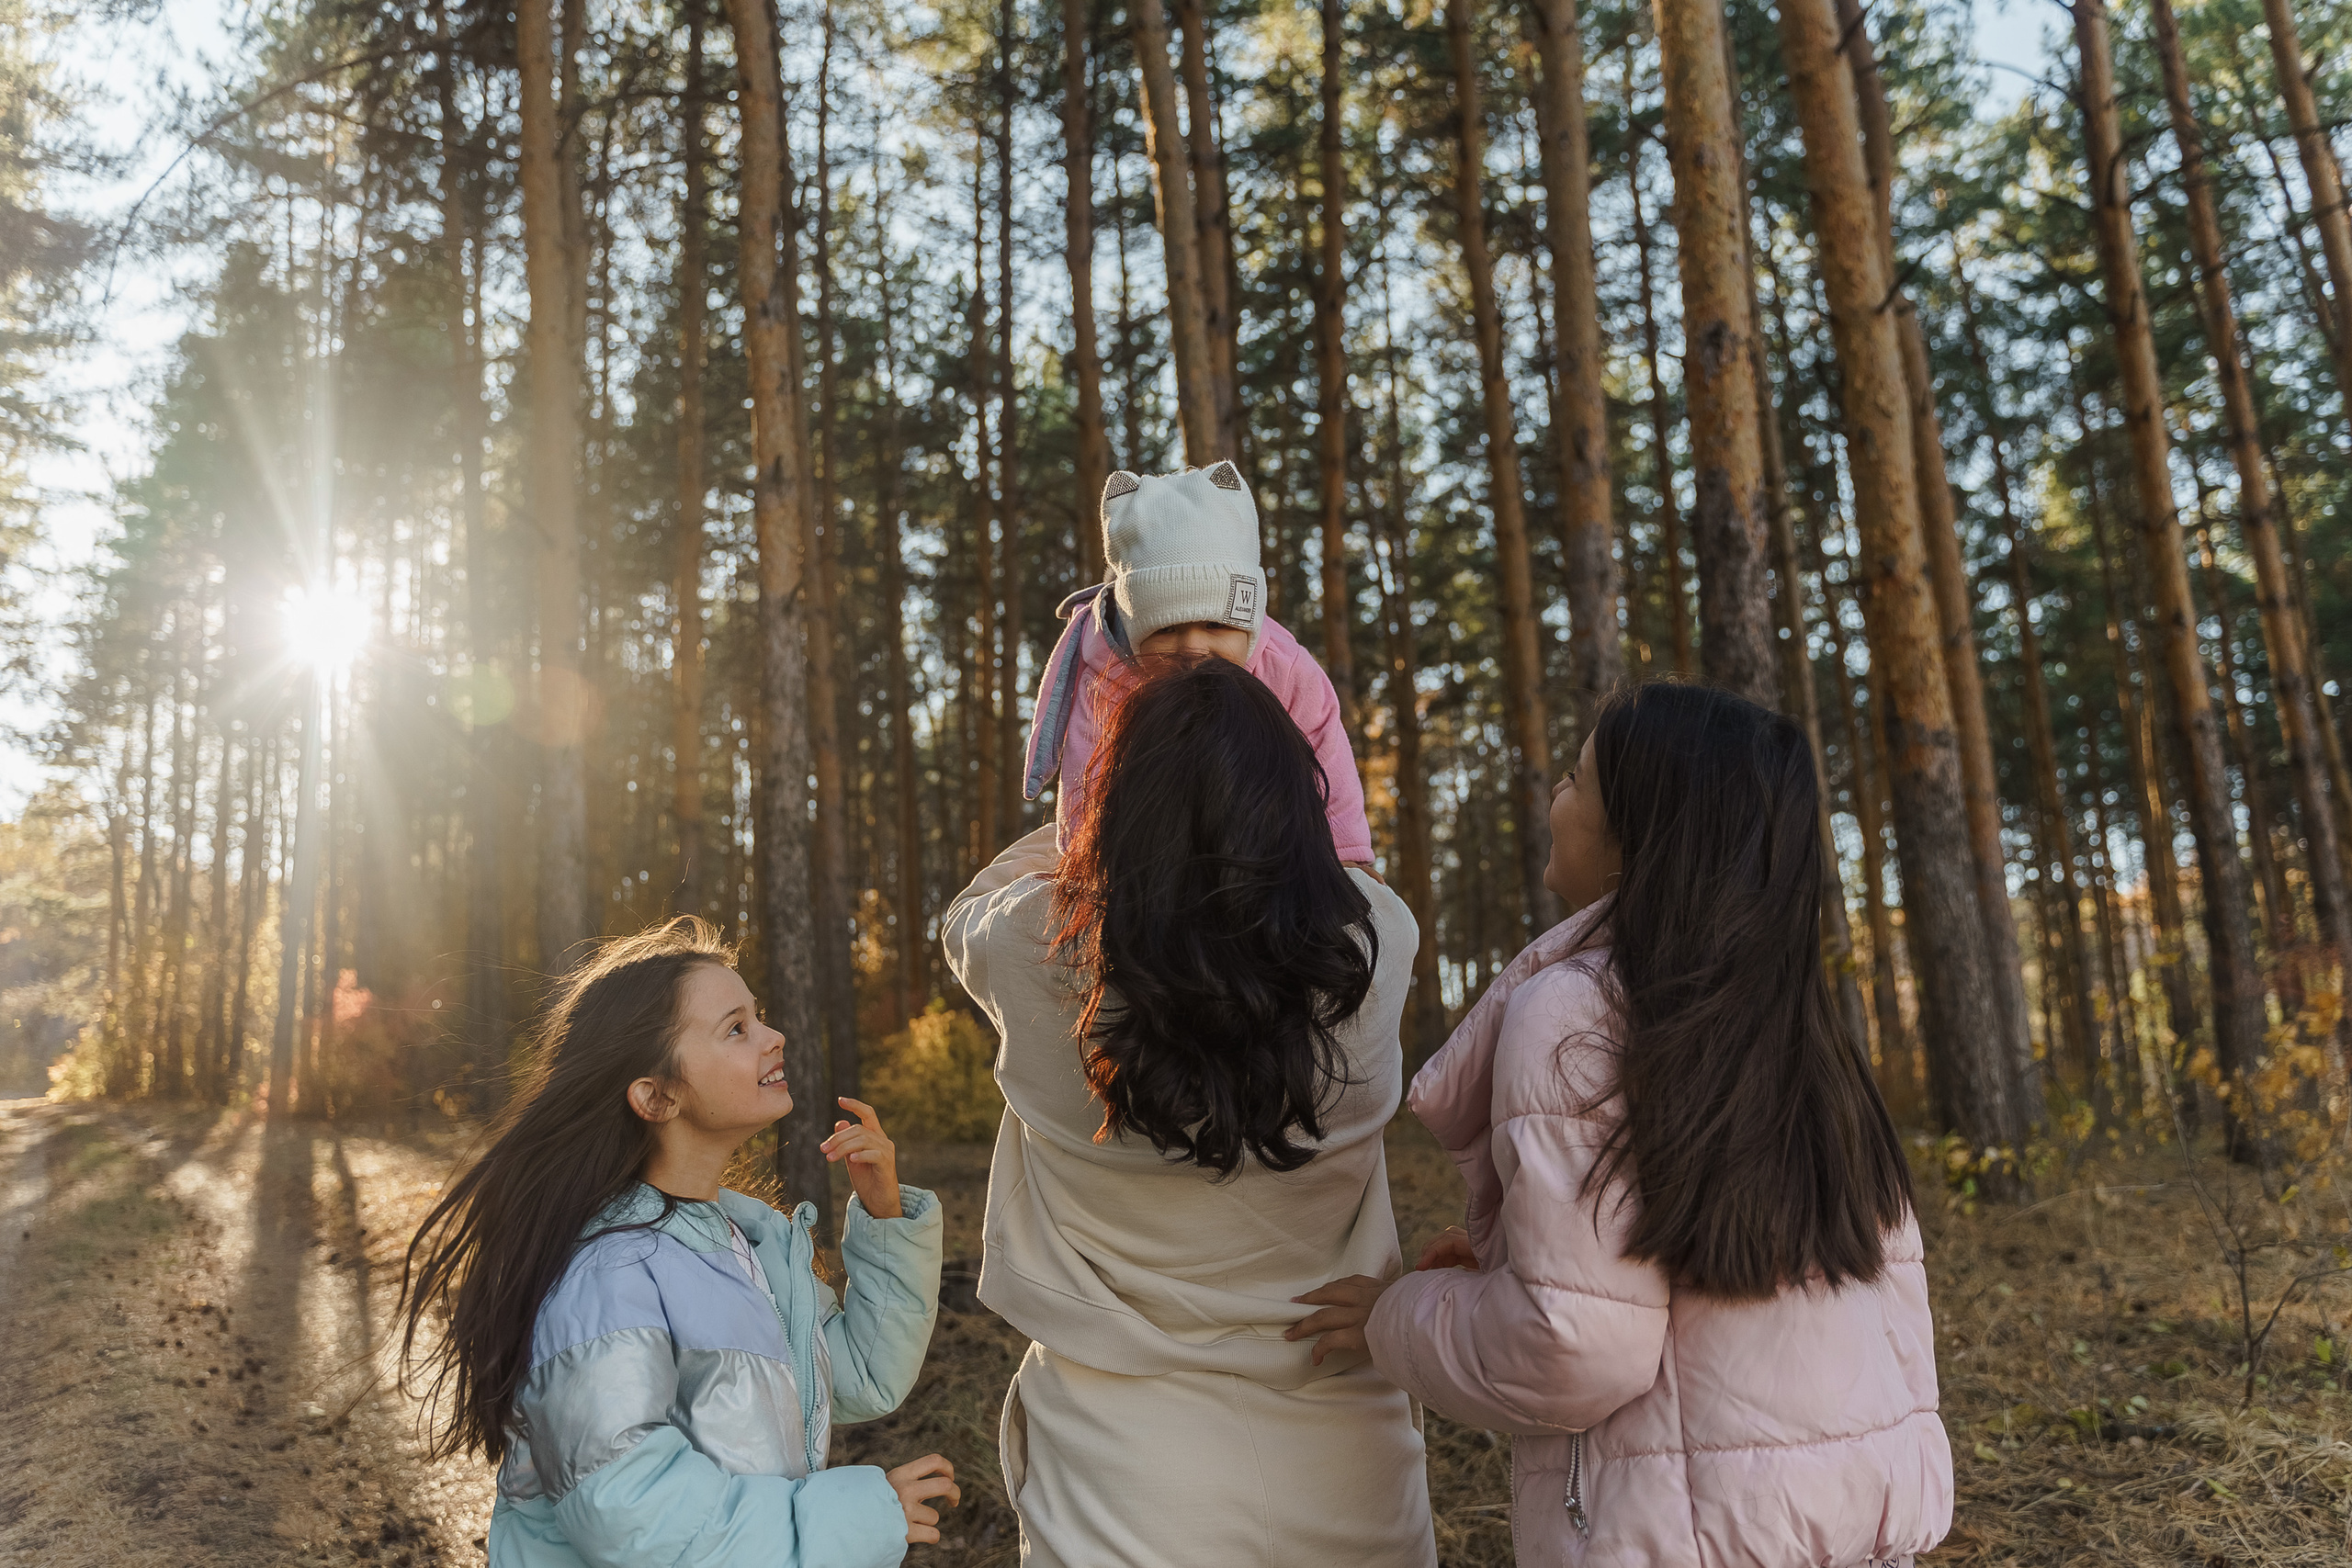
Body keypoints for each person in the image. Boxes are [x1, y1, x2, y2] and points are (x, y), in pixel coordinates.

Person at [1292, 680, 1952, 1568]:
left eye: (1573, 779)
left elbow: (1574, 1351)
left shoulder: (1576, 1013)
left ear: (1637, 835)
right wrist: (1505, 1273)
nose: (1554, 799)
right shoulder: (1803, 1030)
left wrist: (1397, 1314)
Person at [946, 656, 1437, 1568]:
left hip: (1119, 1462)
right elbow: (1333, 873)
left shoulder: (1031, 947)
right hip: (1345, 1447)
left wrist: (1084, 827)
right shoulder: (1380, 944)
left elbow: (966, 916)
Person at [397, 918, 956, 1568]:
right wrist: (851, 1517)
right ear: (657, 1095)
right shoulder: (610, 1273)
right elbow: (632, 1513)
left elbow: (860, 1373)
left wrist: (885, 1213)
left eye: (759, 1016)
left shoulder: (747, 1244)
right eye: (736, 1028)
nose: (774, 1036)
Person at [1023, 460, 1373, 868]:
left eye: (1214, 625)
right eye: (1167, 629)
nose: (1193, 648)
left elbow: (1327, 758)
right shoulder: (1107, 677)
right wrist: (1089, 862)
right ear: (1135, 630)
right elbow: (1085, 779)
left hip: (1261, 828)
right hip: (1149, 841)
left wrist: (1347, 855)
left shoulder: (1286, 669)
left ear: (1248, 623)